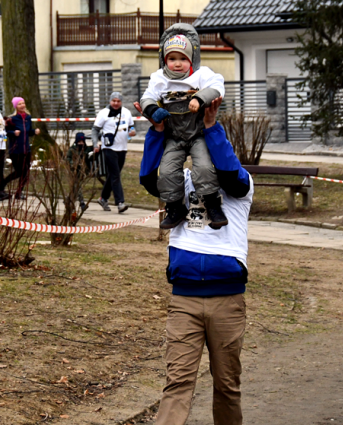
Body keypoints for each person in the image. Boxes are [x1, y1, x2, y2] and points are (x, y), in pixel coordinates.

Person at [138, 97, 253, 425]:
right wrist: (158, 133)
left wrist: (210, 128)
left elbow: (229, 171)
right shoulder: (184, 185)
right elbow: (150, 179)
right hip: (184, 301)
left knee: (227, 385)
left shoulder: (240, 188)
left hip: (227, 302)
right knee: (177, 384)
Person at [139, 23, 227, 230]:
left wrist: (200, 98)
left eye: (182, 59)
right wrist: (153, 110)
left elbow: (217, 86)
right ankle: (174, 207)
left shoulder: (201, 74)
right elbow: (147, 98)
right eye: (172, 59)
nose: (177, 64)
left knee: (204, 167)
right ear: (164, 60)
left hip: (198, 134)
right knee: (168, 171)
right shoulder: (158, 78)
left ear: (191, 60)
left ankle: (213, 205)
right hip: (174, 136)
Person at [92, 92, 135, 214]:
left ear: (121, 102)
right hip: (109, 148)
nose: (116, 103)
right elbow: (95, 130)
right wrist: (95, 144)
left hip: (122, 148)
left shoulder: (126, 112)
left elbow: (131, 127)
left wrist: (132, 132)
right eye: (113, 101)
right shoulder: (103, 113)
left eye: (118, 101)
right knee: (115, 174)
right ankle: (120, 203)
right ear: (110, 101)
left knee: (112, 174)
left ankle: (103, 198)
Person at [0, 97, 40, 200]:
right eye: (19, 104)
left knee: (26, 173)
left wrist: (34, 132)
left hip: (26, 149)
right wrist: (13, 133)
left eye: (23, 103)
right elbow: (5, 133)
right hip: (15, 150)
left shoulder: (28, 118)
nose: (22, 105)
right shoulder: (11, 119)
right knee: (19, 172)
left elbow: (28, 132)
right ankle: (2, 184)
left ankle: (19, 192)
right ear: (15, 106)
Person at [66, 132, 94, 212]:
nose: (81, 143)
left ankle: (68, 200)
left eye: (82, 142)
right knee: (77, 186)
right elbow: (68, 159)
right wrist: (73, 164)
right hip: (73, 171)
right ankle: (82, 203)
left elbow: (91, 151)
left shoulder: (86, 149)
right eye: (79, 142)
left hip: (82, 171)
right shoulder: (72, 150)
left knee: (75, 187)